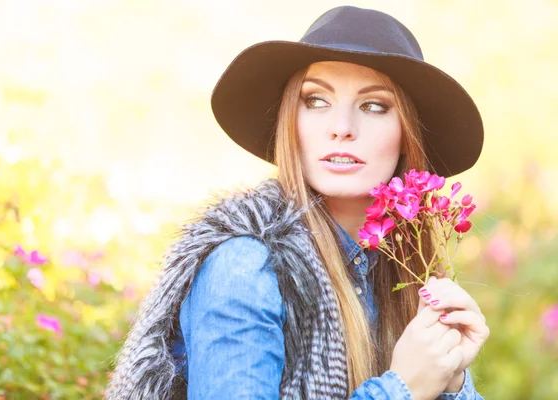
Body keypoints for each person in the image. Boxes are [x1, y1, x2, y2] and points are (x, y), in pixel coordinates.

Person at [105, 6, 489, 400]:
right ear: (292, 121)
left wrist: (451, 379)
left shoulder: (398, 272)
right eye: (316, 100)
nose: (341, 128)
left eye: (374, 105)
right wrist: (402, 390)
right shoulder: (246, 265)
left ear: (407, 133)